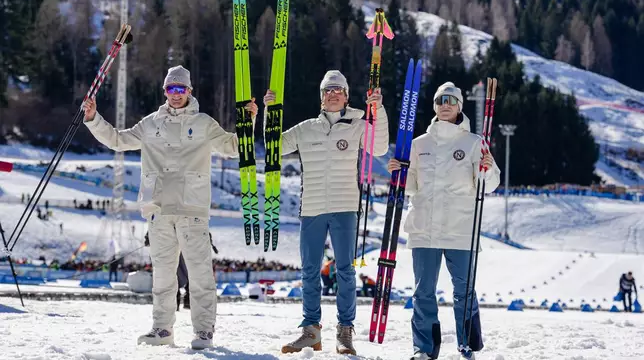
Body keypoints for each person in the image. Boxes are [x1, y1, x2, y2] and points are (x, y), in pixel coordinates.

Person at [83, 65, 257, 349]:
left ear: (190, 91)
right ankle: (162, 329)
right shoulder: (150, 124)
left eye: (181, 89)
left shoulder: (203, 123)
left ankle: (203, 332)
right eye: (170, 89)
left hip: (192, 210)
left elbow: (233, 147)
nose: (175, 94)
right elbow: (117, 140)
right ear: (164, 91)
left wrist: (247, 121)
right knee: (163, 275)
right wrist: (93, 118)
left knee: (200, 274)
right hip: (159, 210)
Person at [265, 70, 389, 356]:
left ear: (346, 96)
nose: (332, 94)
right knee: (309, 270)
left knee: (345, 270)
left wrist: (378, 109)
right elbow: (275, 146)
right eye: (327, 91)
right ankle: (311, 331)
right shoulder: (306, 128)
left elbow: (379, 147)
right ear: (321, 98)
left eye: (338, 90)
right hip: (312, 209)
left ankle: (345, 331)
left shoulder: (358, 124)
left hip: (345, 207)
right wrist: (271, 112)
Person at [388, 82, 500, 360]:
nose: (445, 104)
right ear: (435, 106)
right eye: (440, 100)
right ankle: (424, 349)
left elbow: (490, 183)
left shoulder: (474, 143)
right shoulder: (419, 144)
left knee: (464, 290)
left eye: (451, 100)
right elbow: (411, 185)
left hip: (460, 230)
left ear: (460, 105)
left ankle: (467, 345)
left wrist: (487, 170)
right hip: (424, 228)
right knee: (423, 292)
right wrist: (397, 173)